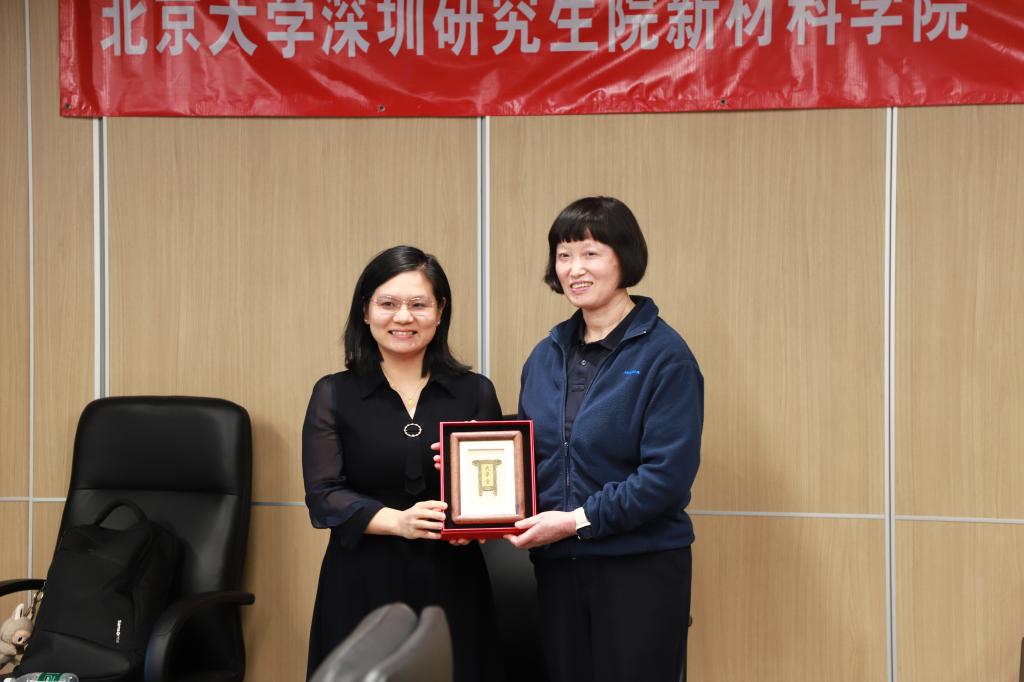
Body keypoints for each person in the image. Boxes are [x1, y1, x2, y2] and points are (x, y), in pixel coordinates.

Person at [507, 196, 704, 682]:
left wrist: (575, 521)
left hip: (638, 568)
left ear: (624, 257)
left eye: (590, 253)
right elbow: (533, 454)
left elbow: (665, 480)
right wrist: (471, 474)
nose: (575, 268)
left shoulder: (665, 356)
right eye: (564, 255)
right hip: (558, 568)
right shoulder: (546, 354)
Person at [302, 245, 502, 681]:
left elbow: (492, 491)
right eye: (388, 303)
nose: (403, 317)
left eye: (418, 304)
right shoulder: (334, 393)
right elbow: (323, 496)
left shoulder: (475, 392)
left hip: (453, 578)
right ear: (365, 311)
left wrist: (479, 526)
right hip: (360, 578)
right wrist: (399, 522)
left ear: (440, 310)